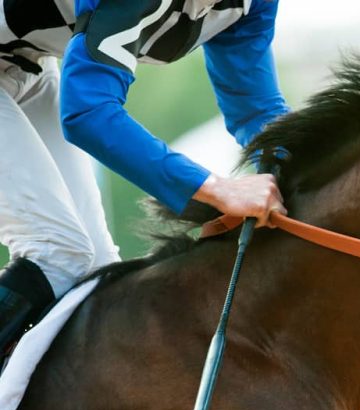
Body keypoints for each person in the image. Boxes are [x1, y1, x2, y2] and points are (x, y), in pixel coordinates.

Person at [0, 0, 289, 348]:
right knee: (59, 253)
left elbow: (255, 110)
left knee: (94, 271)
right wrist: (214, 188)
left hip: (30, 68)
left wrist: (311, 172)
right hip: (24, 66)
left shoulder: (254, 5)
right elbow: (88, 112)